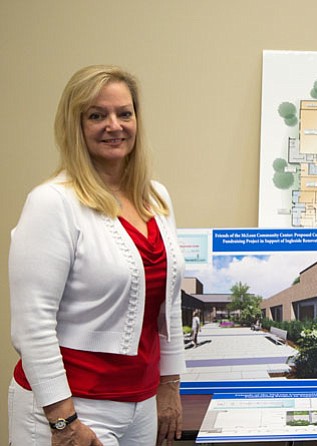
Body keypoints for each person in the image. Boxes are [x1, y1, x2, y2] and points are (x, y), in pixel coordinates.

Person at [8, 65, 186, 446]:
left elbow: (168, 307)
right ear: (75, 125)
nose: (114, 125)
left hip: (141, 405)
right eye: (96, 115)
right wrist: (63, 421)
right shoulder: (52, 202)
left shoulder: (157, 198)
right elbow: (32, 324)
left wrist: (170, 385)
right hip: (72, 409)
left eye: (125, 113)